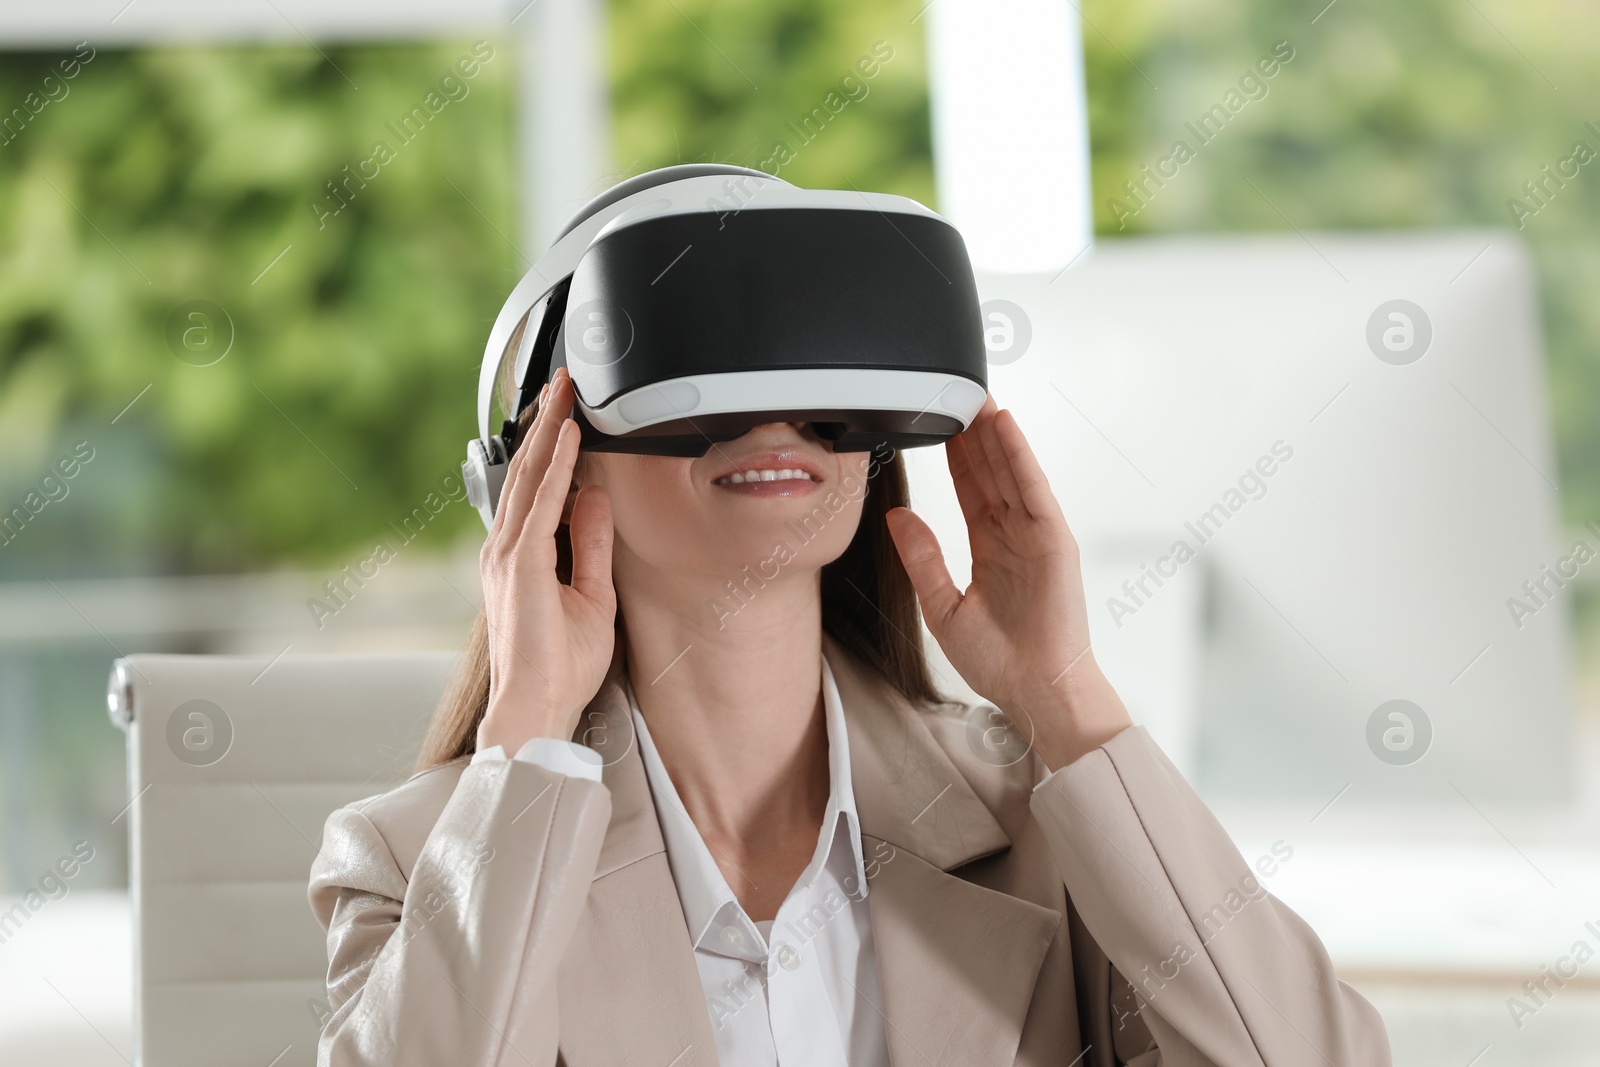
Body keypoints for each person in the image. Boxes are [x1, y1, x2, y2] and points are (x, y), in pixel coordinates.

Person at [308, 312, 1391, 1066]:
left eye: (815, 374)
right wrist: (528, 736)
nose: (770, 406)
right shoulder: (408, 862)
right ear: (550, 465)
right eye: (696, 364)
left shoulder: (1052, 824)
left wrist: (1062, 695)